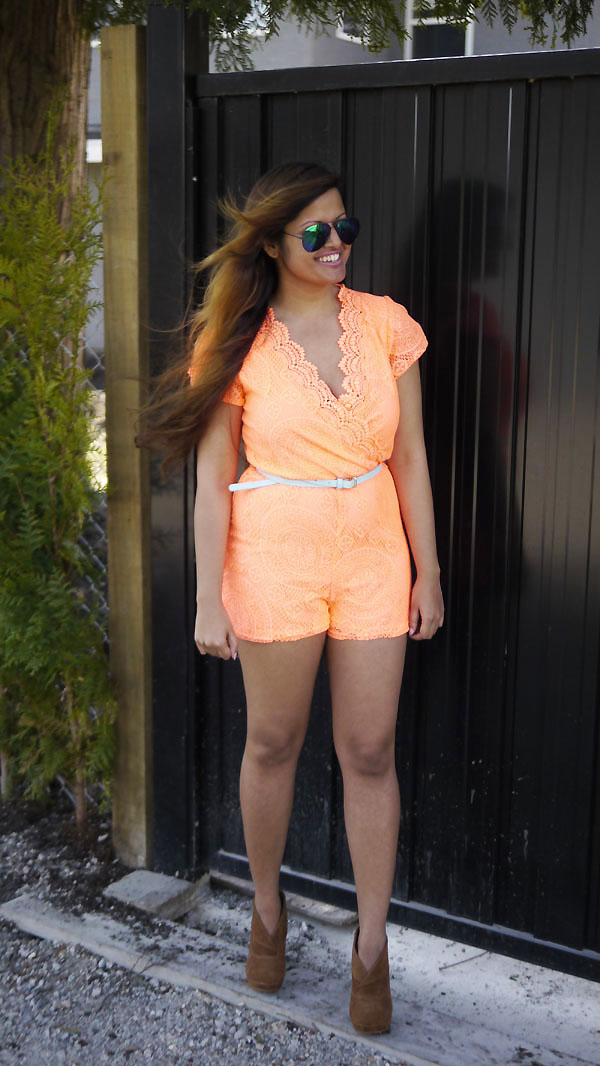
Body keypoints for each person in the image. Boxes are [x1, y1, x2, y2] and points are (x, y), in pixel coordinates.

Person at [139, 162, 444, 1035]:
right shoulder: (235, 340)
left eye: (345, 227)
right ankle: (267, 911)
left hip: (374, 554)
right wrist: (208, 599)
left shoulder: (386, 325)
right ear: (273, 244)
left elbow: (411, 457)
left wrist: (429, 571)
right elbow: (212, 481)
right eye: (315, 232)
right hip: (273, 554)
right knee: (273, 741)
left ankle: (371, 950)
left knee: (370, 749)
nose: (336, 243)